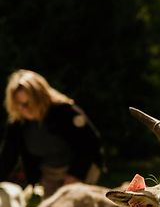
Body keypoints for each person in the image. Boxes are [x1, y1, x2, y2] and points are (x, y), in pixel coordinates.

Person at [0, 69, 104, 198]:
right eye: (18, 105)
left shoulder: (64, 112)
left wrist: (75, 175)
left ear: (39, 97)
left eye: (26, 104)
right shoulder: (18, 123)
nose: (22, 109)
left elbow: (90, 144)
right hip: (49, 173)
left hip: (81, 167)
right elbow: (8, 156)